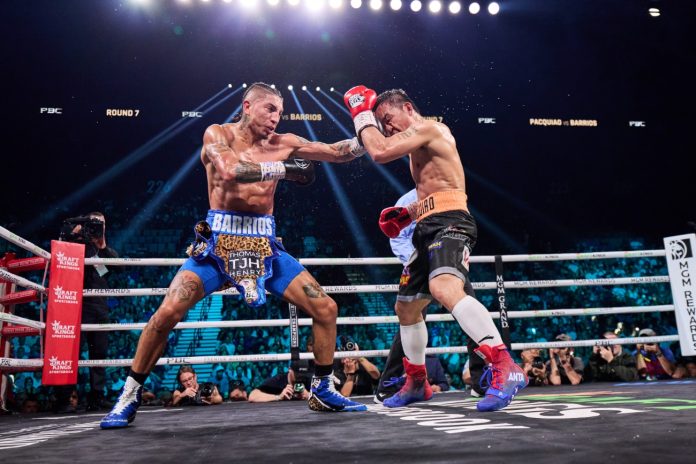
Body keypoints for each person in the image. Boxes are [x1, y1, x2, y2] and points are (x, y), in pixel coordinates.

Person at [101, 83, 368, 428]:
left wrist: (367, 126)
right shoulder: (218, 134)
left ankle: (322, 388)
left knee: (326, 308)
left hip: (264, 244)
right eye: (270, 108)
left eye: (280, 112)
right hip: (219, 243)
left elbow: (337, 151)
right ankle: (129, 395)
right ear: (247, 105)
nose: (276, 117)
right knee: (166, 314)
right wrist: (284, 169)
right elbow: (229, 170)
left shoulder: (285, 142)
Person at [343, 86, 527, 411]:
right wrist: (407, 214)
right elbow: (437, 188)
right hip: (427, 227)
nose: (387, 128)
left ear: (408, 108)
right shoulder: (418, 147)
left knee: (444, 288)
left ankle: (504, 365)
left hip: (451, 223)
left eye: (388, 118)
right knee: (406, 307)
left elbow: (380, 152)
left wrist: (361, 114)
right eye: (381, 124)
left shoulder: (431, 128)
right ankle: (416, 381)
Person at [374, 189, 486, 403]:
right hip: (421, 264)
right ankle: (388, 384)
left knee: (471, 314)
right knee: (410, 321)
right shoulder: (409, 200)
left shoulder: (450, 194)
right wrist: (419, 262)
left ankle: (479, 379)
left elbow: (458, 230)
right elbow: (397, 238)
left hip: (447, 260)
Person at [55, 211, 117, 413]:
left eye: (102, 224)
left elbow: (118, 268)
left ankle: (97, 398)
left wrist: (102, 246)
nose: (98, 227)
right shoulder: (73, 241)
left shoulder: (102, 249)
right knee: (70, 353)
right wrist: (73, 236)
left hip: (99, 305)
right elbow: (60, 254)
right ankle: (64, 399)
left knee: (99, 353)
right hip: (75, 303)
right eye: (95, 223)